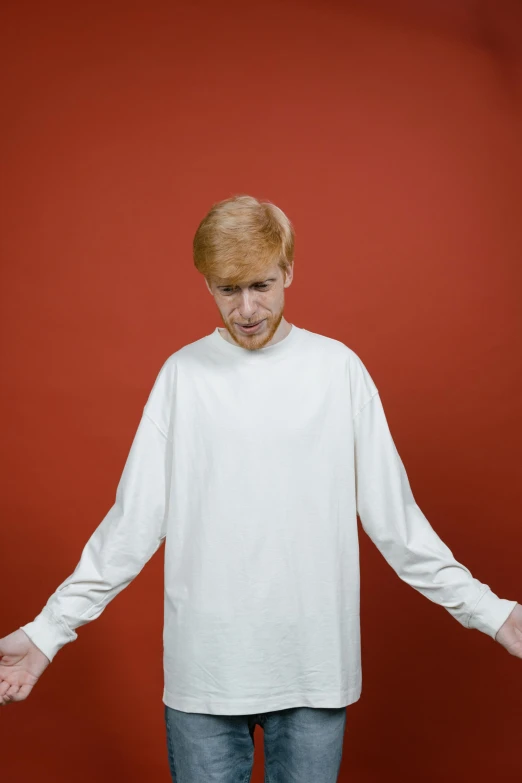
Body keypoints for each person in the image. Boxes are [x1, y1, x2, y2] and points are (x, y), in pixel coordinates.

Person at [1, 194, 520, 783]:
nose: (246, 308)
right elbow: (132, 524)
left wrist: (493, 613)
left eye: (261, 285)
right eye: (227, 290)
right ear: (206, 286)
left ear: (290, 271)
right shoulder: (182, 376)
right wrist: (48, 631)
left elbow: (395, 521)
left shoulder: (338, 370)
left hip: (313, 670)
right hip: (206, 674)